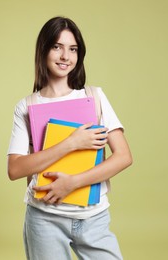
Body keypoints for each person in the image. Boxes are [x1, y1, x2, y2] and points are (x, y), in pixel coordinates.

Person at [7, 16, 132, 260]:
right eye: (57, 47)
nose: (65, 56)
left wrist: (73, 182)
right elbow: (14, 169)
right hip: (44, 219)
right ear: (43, 50)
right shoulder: (26, 106)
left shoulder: (94, 97)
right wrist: (71, 143)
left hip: (93, 216)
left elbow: (124, 157)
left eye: (72, 49)